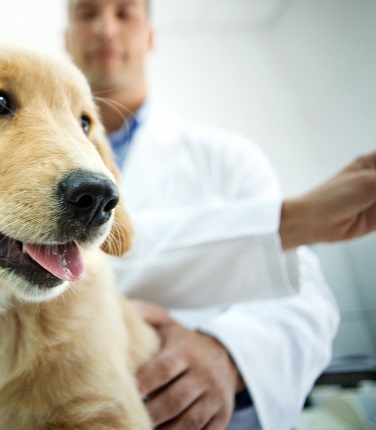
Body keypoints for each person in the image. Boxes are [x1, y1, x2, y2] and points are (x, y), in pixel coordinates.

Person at [66, 0, 376, 429]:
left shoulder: (226, 157)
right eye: (87, 14)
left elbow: (306, 296)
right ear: (67, 38)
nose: (105, 28)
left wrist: (230, 353)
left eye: (124, 13)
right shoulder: (20, 169)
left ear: (150, 36)